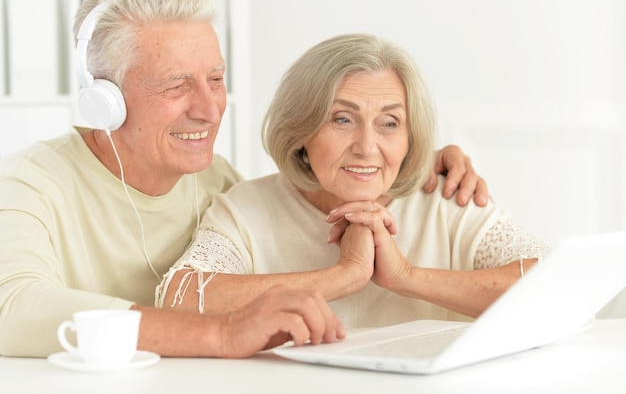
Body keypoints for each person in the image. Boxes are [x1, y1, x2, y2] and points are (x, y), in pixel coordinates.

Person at [0, 0, 487, 358]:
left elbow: (299, 194)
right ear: (104, 99)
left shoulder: (219, 184)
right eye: (176, 86)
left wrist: (414, 162)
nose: (210, 108)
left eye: (216, 79)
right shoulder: (30, 184)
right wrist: (219, 332)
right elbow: (13, 308)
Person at [156, 33, 550, 330]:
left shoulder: (444, 198)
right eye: (342, 119)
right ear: (301, 131)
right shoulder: (246, 209)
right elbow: (178, 300)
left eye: (389, 123)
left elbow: (556, 284)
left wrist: (406, 277)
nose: (367, 147)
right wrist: (343, 275)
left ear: (411, 136)